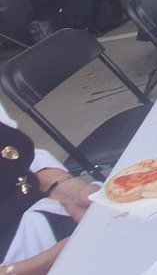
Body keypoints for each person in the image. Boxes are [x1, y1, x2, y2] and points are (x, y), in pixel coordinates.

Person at [0, 102, 99, 273]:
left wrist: (64, 187)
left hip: (51, 220)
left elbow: (13, 150)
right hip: (22, 261)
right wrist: (37, 264)